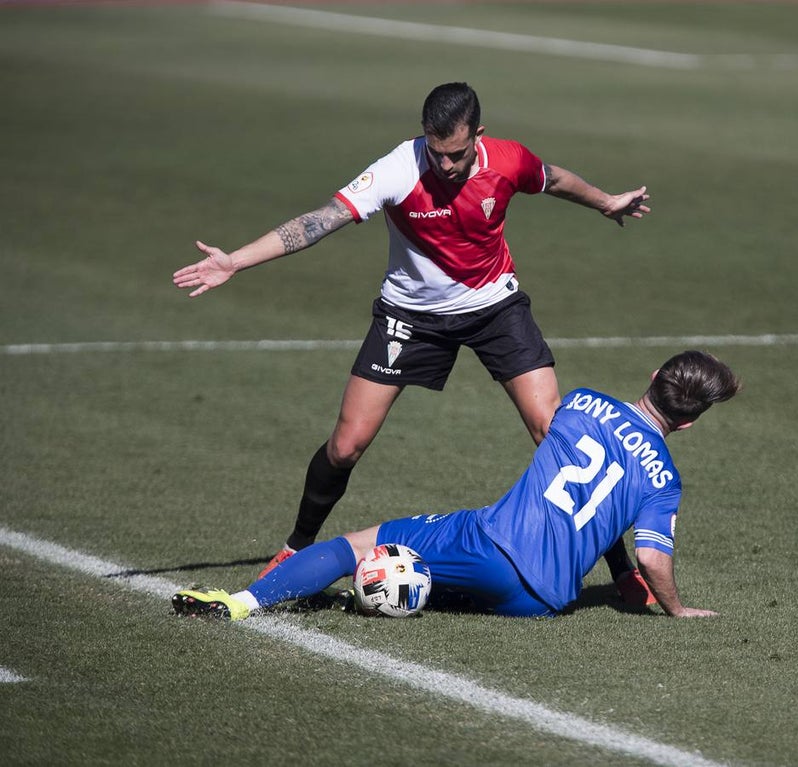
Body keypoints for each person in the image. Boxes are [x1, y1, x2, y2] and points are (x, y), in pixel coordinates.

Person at [172, 82, 657, 600]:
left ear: (479, 136)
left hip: (495, 308)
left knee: (553, 432)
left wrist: (606, 202)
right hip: (410, 315)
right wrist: (236, 261)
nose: (445, 165)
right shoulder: (398, 170)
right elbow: (320, 222)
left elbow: (553, 178)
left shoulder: (508, 160)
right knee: (346, 444)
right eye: (435, 151)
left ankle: (621, 568)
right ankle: (296, 548)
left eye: (456, 154)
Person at [172, 351, 741, 620]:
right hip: (545, 603)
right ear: (689, 422)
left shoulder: (585, 403)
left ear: (651, 377)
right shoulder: (664, 479)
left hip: (489, 545)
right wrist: (677, 609)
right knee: (444, 572)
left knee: (356, 545)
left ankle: (240, 602)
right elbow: (652, 556)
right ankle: (388, 589)